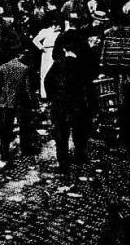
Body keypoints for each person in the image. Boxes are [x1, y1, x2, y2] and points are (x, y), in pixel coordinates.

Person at [44, 40, 92, 173]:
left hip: (60, 104)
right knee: (79, 131)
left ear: (65, 50)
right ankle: (80, 156)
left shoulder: (57, 64)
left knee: (61, 134)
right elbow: (89, 87)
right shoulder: (82, 66)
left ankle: (63, 162)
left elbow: (47, 81)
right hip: (78, 104)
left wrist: (52, 98)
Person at [0, 52, 38, 162]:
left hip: (5, 101)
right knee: (24, 126)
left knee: (6, 127)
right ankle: (25, 148)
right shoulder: (25, 68)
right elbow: (28, 88)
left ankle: (4, 151)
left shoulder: (2, 67)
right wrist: (32, 101)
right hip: (21, 101)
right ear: (18, 56)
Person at [32, 12, 62, 99]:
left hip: (55, 52)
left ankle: (52, 92)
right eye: (58, 26)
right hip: (46, 53)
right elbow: (35, 40)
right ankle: (44, 94)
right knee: (44, 73)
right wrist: (41, 48)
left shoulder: (58, 33)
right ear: (54, 25)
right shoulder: (45, 31)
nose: (59, 28)